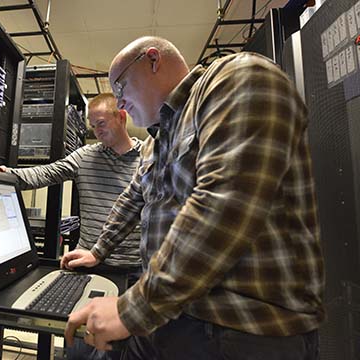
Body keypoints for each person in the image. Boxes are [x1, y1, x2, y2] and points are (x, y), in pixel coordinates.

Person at [62, 36, 325, 359]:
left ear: (153, 60)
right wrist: (97, 251)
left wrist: (132, 310)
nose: (120, 104)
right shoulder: (158, 141)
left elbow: (225, 207)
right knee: (82, 348)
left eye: (121, 87)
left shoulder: (238, 79)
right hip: (173, 311)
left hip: (241, 327)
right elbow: (131, 200)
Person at [0, 93, 143, 360]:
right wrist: (7, 176)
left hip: (134, 271)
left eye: (101, 124)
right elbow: (45, 173)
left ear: (121, 117)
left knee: (123, 350)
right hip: (91, 266)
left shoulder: (148, 157)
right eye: (92, 126)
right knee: (79, 350)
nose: (97, 132)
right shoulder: (86, 156)